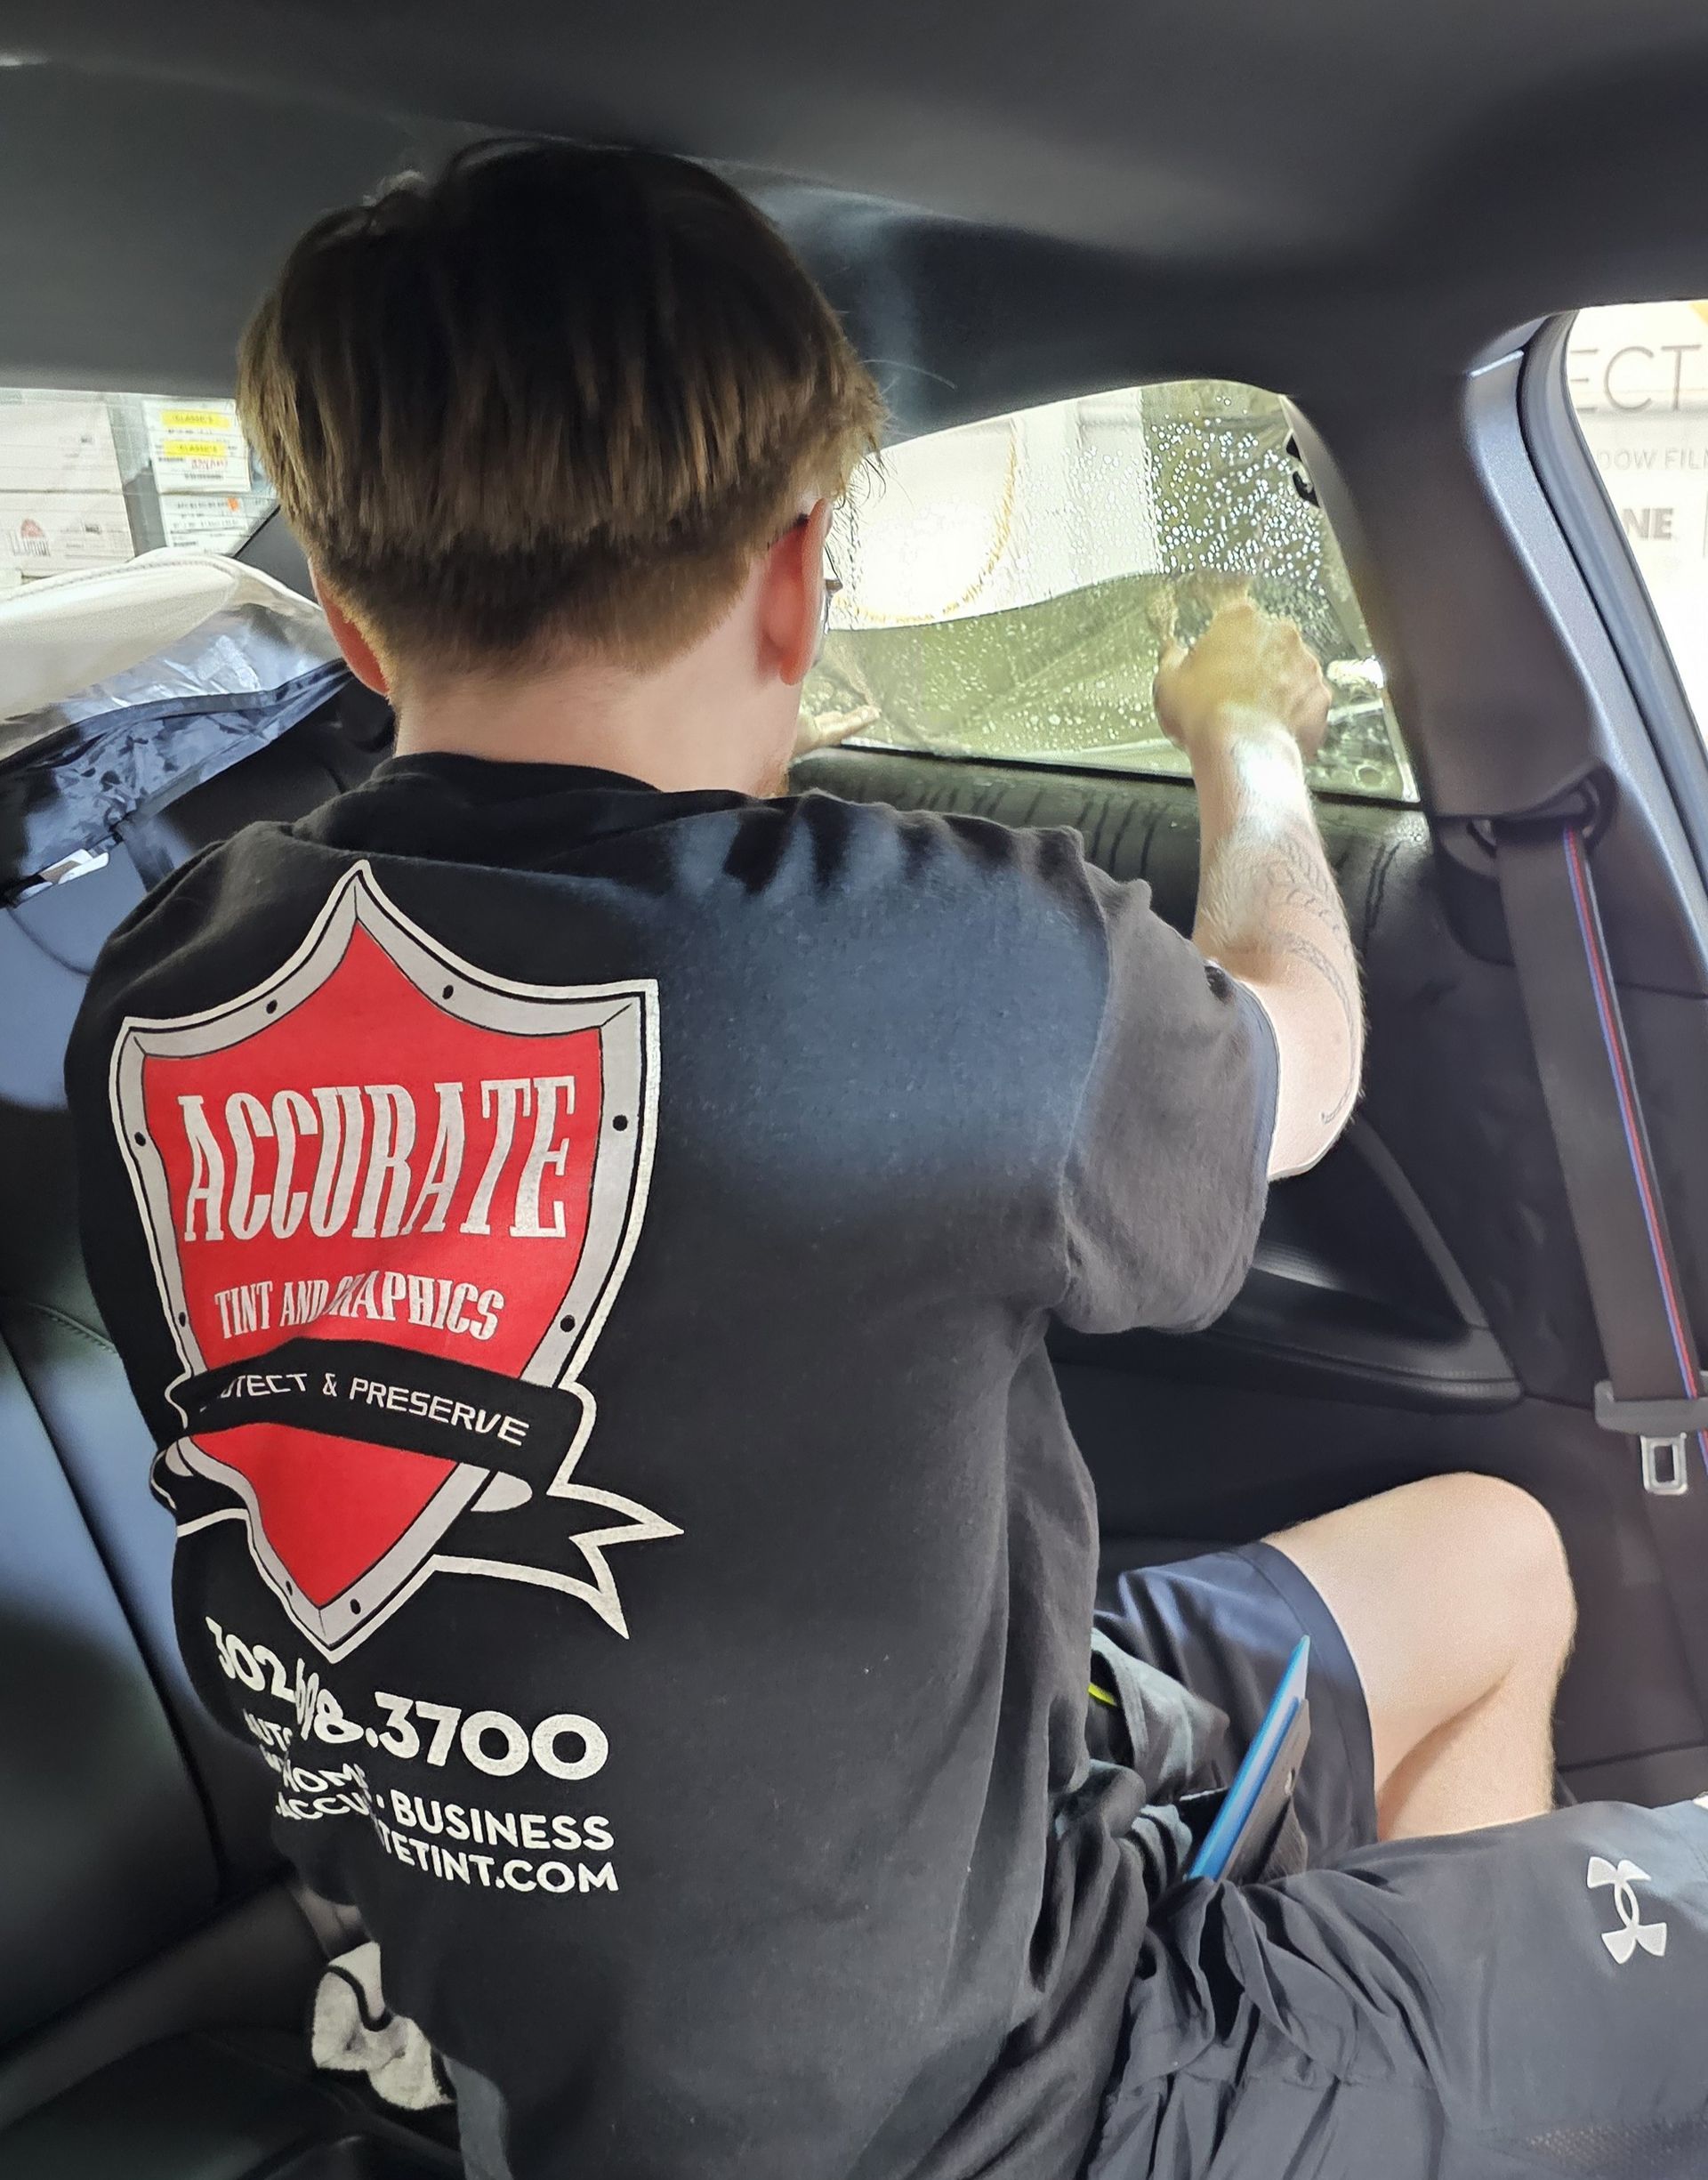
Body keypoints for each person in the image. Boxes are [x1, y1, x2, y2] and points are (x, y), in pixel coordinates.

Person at [64, 140, 1706, 2180]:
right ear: (793, 570)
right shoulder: (914, 961)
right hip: (975, 2107)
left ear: (352, 620)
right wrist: (1247, 746)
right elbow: (1298, 1067)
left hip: (509, 2006)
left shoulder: (164, 993)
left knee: (1495, 1552)